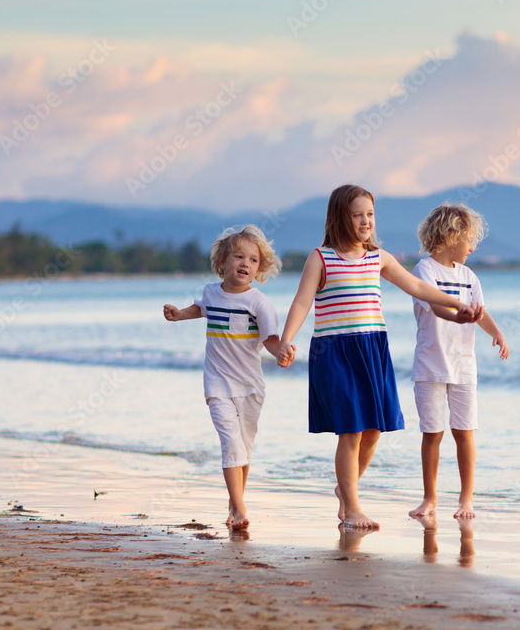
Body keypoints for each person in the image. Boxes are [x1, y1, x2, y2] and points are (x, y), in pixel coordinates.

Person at [276, 185, 482, 529]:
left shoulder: (379, 258)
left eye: (369, 214)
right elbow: (301, 301)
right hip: (335, 350)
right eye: (357, 215)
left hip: (372, 349)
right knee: (351, 430)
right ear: (340, 218)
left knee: (372, 430)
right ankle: (353, 507)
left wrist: (456, 304)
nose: (365, 221)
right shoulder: (321, 258)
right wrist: (286, 340)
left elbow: (417, 287)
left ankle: (346, 489)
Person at [163, 225, 285, 530]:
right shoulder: (211, 292)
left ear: (260, 269)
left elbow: (271, 340)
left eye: (253, 260)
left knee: (244, 447)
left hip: (250, 388)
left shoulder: (258, 303)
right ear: (222, 263)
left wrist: (282, 351)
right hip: (217, 385)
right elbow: (200, 308)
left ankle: (234, 506)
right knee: (231, 444)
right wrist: (179, 314)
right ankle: (241, 510)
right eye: (238, 256)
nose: (245, 263)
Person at [408, 204, 508, 519]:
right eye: (469, 240)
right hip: (430, 365)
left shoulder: (469, 276)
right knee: (432, 433)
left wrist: (496, 332)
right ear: (451, 236)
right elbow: (436, 307)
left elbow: (480, 311)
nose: (473, 247)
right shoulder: (424, 271)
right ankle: (430, 498)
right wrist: (459, 315)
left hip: (464, 365)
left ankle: (467, 499)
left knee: (464, 431)